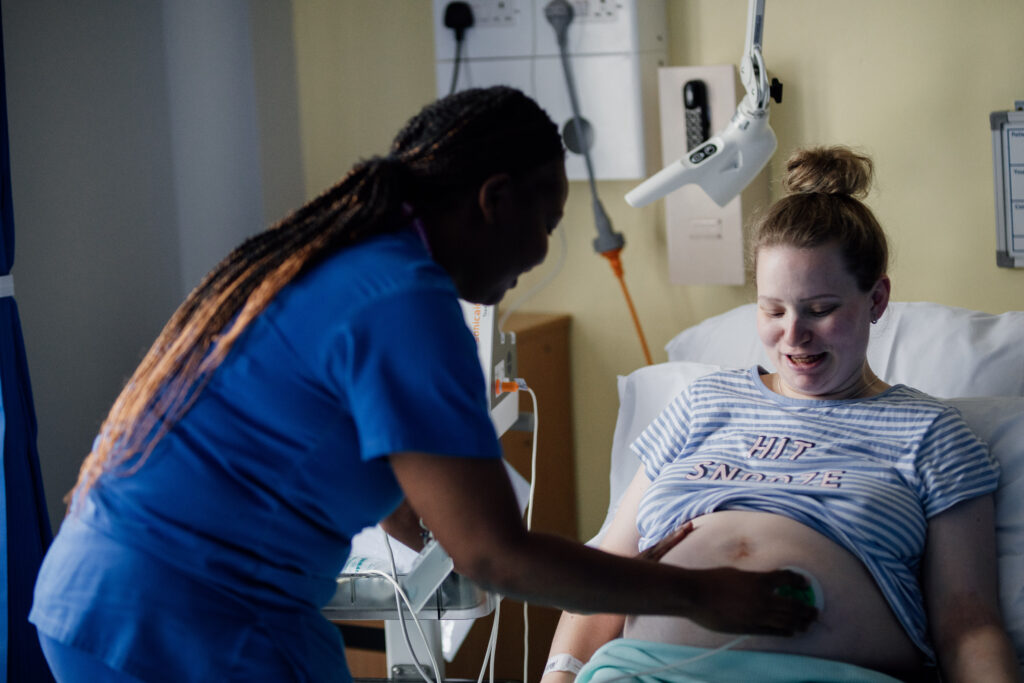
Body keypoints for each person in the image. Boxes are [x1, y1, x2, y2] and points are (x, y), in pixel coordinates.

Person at [29, 86, 815, 683]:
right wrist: (699, 593)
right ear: (493, 198)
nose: (541, 252)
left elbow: (399, 487)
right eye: (545, 218)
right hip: (192, 620)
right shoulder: (405, 299)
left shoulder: (329, 260)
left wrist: (632, 575)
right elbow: (494, 555)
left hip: (92, 593)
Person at [542, 146, 1020, 683]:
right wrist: (560, 676)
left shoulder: (931, 434)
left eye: (821, 309)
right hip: (643, 672)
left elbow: (968, 623)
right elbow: (610, 571)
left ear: (877, 299)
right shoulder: (703, 404)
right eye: (773, 310)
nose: (793, 335)